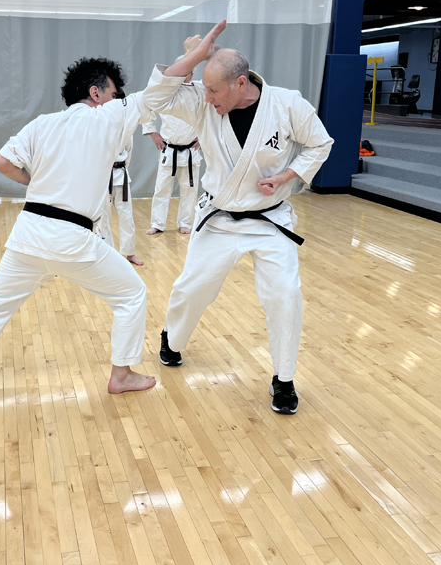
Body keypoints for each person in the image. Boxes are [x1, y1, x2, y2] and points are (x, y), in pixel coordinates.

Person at [0, 58, 156, 394]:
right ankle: (121, 375)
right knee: (131, 294)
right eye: (114, 93)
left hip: (28, 234)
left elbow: (3, 163)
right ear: (96, 93)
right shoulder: (104, 119)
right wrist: (196, 52)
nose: (117, 99)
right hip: (71, 239)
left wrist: (38, 182)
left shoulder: (43, 123)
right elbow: (160, 86)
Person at [143, 21, 333, 414]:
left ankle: (284, 378)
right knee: (193, 288)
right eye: (205, 88)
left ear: (240, 83)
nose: (207, 96)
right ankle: (172, 338)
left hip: (270, 220)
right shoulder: (204, 104)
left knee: (285, 295)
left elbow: (320, 143)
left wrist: (286, 176)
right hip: (219, 217)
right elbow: (156, 96)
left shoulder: (287, 105)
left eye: (214, 89)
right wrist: (194, 57)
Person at [143, 59, 202, 236]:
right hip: (169, 150)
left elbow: (211, 113)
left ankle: (185, 222)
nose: (184, 75)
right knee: (161, 188)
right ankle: (157, 223)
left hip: (190, 150)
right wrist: (152, 132)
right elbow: (148, 107)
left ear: (192, 74)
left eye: (187, 72)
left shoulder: (199, 91)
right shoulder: (164, 91)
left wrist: (204, 137)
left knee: (189, 190)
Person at [97, 141, 145, 266]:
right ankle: (107, 253)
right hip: (103, 177)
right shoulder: (99, 130)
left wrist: (122, 169)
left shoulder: (126, 130)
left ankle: (130, 252)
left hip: (121, 176)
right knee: (103, 217)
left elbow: (129, 150)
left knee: (126, 216)